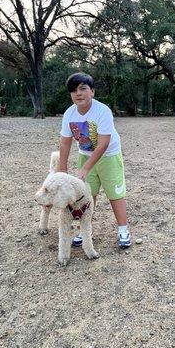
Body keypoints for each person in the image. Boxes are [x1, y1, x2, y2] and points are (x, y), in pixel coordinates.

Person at [59, 72, 131, 248]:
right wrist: (62, 169)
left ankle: (123, 229)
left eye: (83, 89)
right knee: (86, 196)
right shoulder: (69, 114)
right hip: (85, 154)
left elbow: (103, 144)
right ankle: (85, 232)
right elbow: (65, 142)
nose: (78, 93)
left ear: (92, 91)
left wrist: (85, 169)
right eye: (74, 90)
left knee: (115, 193)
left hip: (108, 156)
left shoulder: (102, 111)